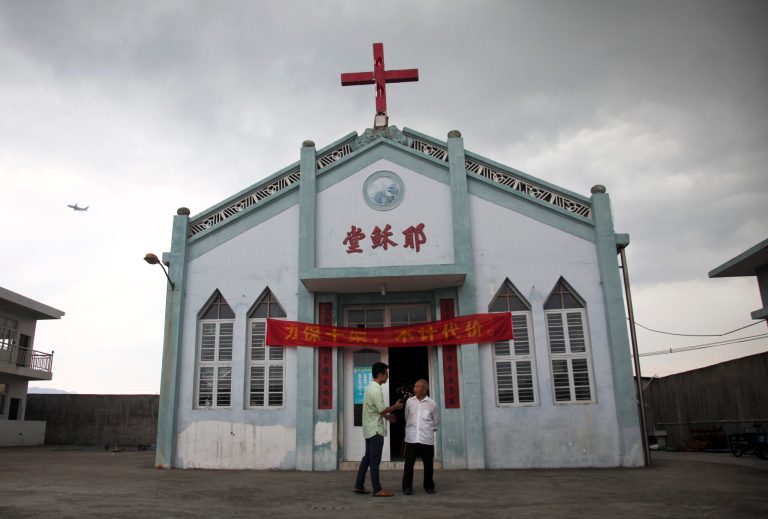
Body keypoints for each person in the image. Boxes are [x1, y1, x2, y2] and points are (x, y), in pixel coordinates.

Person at [353, 361, 404, 497]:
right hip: (375, 430)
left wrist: (387, 417)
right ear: (380, 375)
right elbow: (381, 409)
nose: (387, 377)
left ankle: (359, 485)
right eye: (386, 375)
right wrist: (396, 407)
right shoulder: (376, 389)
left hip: (369, 428)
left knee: (367, 458)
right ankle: (377, 489)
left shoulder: (370, 387)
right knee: (374, 460)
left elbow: (377, 411)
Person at [401, 379, 439, 495]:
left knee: (428, 464)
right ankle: (407, 487)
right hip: (411, 438)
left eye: (418, 387)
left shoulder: (432, 404)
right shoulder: (409, 402)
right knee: (409, 464)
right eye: (415, 387)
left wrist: (426, 429)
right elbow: (407, 417)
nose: (415, 389)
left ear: (425, 389)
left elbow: (436, 422)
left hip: (426, 439)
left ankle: (429, 486)